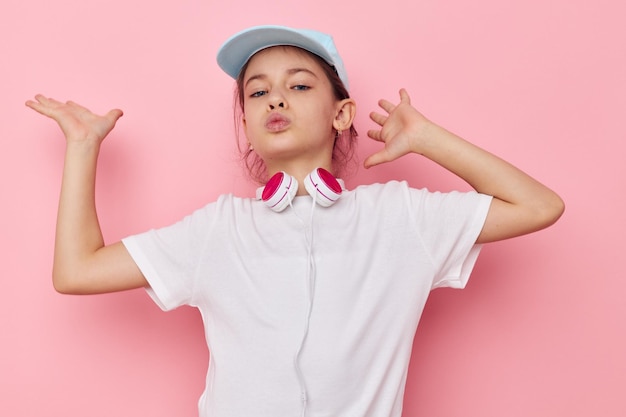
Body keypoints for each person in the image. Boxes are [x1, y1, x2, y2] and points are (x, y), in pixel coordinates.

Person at [25, 25, 564, 417]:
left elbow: (539, 206)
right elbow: (76, 271)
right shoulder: (218, 231)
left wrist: (429, 139)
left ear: (342, 113)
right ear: (248, 122)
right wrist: (82, 147)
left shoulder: (402, 218)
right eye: (257, 92)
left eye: (300, 85)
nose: (275, 97)